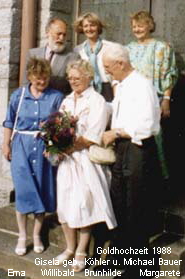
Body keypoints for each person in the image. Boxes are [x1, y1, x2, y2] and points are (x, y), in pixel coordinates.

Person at [96, 44, 161, 279]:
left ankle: (141, 267)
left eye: (108, 68)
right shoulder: (122, 85)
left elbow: (149, 125)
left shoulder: (142, 85)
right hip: (123, 148)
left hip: (138, 149)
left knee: (136, 206)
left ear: (121, 64)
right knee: (119, 203)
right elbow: (117, 110)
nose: (107, 73)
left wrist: (116, 133)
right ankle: (119, 257)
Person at [54, 59, 117, 272]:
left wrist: (68, 147)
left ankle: (82, 251)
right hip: (67, 161)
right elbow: (57, 126)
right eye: (70, 78)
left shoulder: (97, 101)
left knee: (84, 205)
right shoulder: (66, 100)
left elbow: (93, 135)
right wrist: (54, 144)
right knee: (64, 203)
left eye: (77, 78)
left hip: (86, 160)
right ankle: (70, 248)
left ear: (88, 77)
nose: (73, 81)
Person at [2, 57, 64, 256]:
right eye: (38, 79)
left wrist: (53, 146)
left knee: (41, 189)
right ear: (30, 77)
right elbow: (9, 121)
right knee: (23, 190)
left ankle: (36, 235)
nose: (42, 82)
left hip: (44, 146)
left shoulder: (56, 97)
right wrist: (5, 144)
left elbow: (59, 125)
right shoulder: (18, 96)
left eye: (45, 78)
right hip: (21, 145)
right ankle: (22, 235)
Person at [127, 10, 178, 177]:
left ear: (149, 26)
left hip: (153, 100)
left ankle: (157, 182)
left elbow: (168, 74)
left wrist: (166, 99)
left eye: (140, 25)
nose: (137, 29)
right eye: (134, 26)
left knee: (154, 139)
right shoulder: (128, 48)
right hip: (131, 100)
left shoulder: (161, 47)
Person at [22, 17, 79, 95]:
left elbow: (74, 87)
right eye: (58, 34)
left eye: (64, 35)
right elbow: (26, 82)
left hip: (58, 103)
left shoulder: (73, 57)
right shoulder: (33, 54)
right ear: (47, 32)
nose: (61, 38)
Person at [73, 12, 117, 102]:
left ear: (98, 27)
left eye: (92, 25)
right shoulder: (77, 50)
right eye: (86, 26)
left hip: (106, 89)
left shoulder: (110, 47)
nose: (89, 29)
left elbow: (115, 75)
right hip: (86, 89)